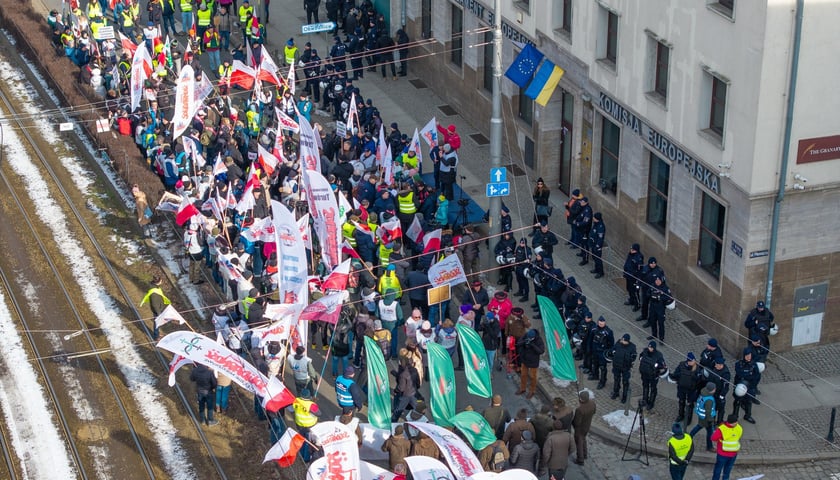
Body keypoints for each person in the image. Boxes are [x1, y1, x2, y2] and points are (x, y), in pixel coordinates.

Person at [289, 388, 321, 462]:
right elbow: (319, 413)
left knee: (301, 439)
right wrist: (314, 403)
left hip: (299, 424)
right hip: (309, 426)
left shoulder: (296, 400)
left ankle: (301, 453)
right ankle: (306, 458)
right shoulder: (311, 405)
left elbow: (293, 408)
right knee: (308, 442)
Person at [671, 352, 702, 424]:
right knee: (681, 401)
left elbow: (699, 380)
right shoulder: (681, 365)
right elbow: (675, 374)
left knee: (690, 404)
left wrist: (693, 379)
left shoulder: (697, 368)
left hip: (691, 389)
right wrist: (681, 376)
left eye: (693, 361)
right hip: (681, 388)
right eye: (691, 361)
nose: (692, 362)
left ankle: (688, 418)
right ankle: (681, 415)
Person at [731, 348, 759, 424]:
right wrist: (749, 375)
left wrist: (747, 376)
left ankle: (747, 415)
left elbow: (756, 376)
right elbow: (740, 374)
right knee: (737, 402)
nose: (748, 357)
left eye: (749, 355)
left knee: (748, 402)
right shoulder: (739, 364)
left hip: (749, 387)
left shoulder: (754, 365)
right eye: (747, 355)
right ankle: (735, 416)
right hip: (739, 386)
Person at [711, 414, 742, 480]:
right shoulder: (739, 427)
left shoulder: (722, 429)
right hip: (733, 453)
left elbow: (713, 438)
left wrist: (720, 440)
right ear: (734, 422)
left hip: (722, 454)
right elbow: (739, 436)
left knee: (718, 469)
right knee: (727, 470)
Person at [139, 275, 171, 340]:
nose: (162, 281)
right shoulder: (154, 292)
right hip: (157, 310)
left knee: (158, 322)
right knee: (157, 322)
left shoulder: (155, 287)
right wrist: (158, 312)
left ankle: (157, 334)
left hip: (159, 308)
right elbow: (154, 304)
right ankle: (156, 336)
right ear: (158, 282)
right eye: (161, 280)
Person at [516, 329, 545, 399]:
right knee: (523, 375)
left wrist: (532, 345)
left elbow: (541, 351)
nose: (529, 339)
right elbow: (518, 343)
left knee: (533, 377)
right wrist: (524, 342)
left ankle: (532, 391)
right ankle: (522, 388)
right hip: (525, 359)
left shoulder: (539, 340)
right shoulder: (526, 335)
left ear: (534, 337)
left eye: (530, 338)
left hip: (533, 361)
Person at [638, 340, 666, 411]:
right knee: (645, 386)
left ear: (654, 348)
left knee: (653, 388)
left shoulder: (658, 355)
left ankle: (651, 402)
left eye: (651, 348)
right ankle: (645, 399)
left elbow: (663, 365)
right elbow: (640, 356)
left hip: (653, 375)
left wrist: (657, 365)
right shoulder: (645, 351)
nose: (650, 349)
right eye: (649, 347)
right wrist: (641, 359)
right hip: (644, 373)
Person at [690, 382, 718, 451]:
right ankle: (709, 447)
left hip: (702, 416)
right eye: (714, 388)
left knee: (700, 427)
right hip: (706, 418)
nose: (715, 389)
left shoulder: (703, 393)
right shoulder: (709, 400)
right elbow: (708, 411)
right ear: (711, 390)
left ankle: (689, 436)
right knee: (709, 432)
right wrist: (710, 420)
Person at [588, 315, 614, 389]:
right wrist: (589, 348)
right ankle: (595, 375)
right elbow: (590, 339)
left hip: (602, 352)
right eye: (600, 323)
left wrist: (609, 353)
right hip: (595, 350)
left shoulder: (608, 332)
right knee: (595, 364)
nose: (601, 325)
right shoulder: (594, 329)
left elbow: (611, 343)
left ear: (605, 323)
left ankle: (602, 381)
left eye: (602, 323)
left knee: (602, 367)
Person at [644, 276, 672, 341]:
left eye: (659, 281)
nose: (657, 282)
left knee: (661, 323)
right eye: (656, 280)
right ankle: (654, 335)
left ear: (661, 281)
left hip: (660, 308)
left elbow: (669, 298)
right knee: (653, 321)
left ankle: (661, 338)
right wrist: (651, 295)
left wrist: (659, 297)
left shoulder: (665, 288)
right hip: (652, 307)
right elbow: (647, 293)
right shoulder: (652, 286)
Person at [610, 333, 637, 403]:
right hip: (616, 366)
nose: (622, 341)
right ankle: (616, 392)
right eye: (622, 339)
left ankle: (624, 396)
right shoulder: (618, 343)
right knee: (616, 379)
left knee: (625, 382)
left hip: (625, 367)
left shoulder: (632, 347)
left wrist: (629, 360)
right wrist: (613, 353)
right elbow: (613, 349)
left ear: (627, 341)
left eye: (624, 340)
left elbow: (633, 357)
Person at [571, 390, 595, 465]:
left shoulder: (580, 410)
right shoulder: (592, 403)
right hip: (587, 426)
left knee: (579, 443)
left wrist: (572, 423)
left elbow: (577, 422)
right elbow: (594, 412)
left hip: (580, 429)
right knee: (583, 439)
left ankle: (580, 459)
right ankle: (585, 454)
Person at [623, 243, 644, 310]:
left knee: (634, 291)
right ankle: (631, 300)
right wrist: (625, 270)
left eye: (633, 249)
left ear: (636, 250)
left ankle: (637, 304)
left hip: (634, 277)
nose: (631, 250)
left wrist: (636, 278)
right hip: (628, 275)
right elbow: (627, 262)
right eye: (631, 249)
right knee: (629, 288)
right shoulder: (630, 254)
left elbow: (639, 270)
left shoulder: (639, 258)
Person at [588, 212, 606, 278]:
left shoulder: (601, 227)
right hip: (593, 244)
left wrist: (597, 246)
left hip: (597, 246)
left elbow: (600, 239)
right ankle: (596, 269)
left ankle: (600, 272)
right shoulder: (596, 224)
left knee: (598, 259)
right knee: (594, 257)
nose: (593, 218)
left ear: (597, 219)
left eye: (594, 217)